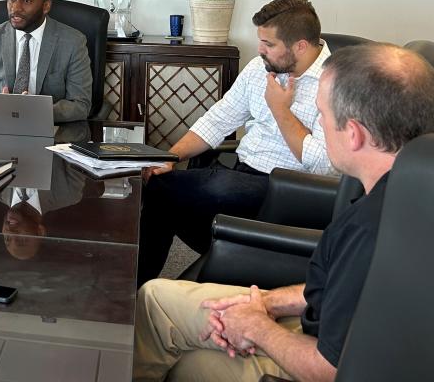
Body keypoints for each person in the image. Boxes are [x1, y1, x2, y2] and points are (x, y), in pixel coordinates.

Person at [133, 43, 434, 381]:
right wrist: (269, 302)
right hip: (311, 320)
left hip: (316, 357)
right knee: (153, 297)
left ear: (353, 134)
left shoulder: (373, 228)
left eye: (322, 114)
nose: (319, 121)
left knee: (183, 356)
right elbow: (341, 291)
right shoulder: (401, 191)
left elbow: (331, 369)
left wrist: (258, 327)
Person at [137, 0, 334, 284]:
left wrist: (281, 110)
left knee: (172, 191)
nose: (260, 50)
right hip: (243, 175)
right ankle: (140, 286)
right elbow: (218, 120)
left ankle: (134, 286)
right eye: (261, 41)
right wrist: (171, 157)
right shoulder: (259, 68)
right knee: (159, 182)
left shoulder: (336, 84)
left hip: (290, 191)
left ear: (300, 46)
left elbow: (322, 164)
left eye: (269, 44)